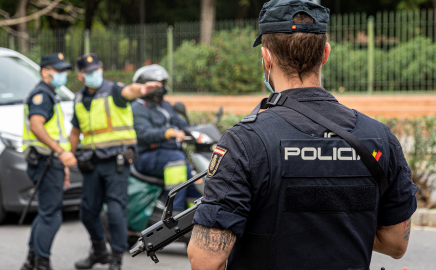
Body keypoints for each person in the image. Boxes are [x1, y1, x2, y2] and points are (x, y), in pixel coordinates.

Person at [187, 1, 418, 270]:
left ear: (266, 58)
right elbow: (396, 244)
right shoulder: (379, 137)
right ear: (325, 54)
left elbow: (204, 260)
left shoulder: (244, 143)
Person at [70, 53, 161, 270]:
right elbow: (75, 131)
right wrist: (68, 155)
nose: (95, 74)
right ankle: (99, 250)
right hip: (91, 162)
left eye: (97, 70)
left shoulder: (113, 90)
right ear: (81, 76)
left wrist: (141, 89)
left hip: (116, 161)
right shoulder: (79, 99)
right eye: (89, 72)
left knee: (115, 211)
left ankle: (116, 258)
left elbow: (128, 91)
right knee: (87, 211)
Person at [20, 52, 77, 270]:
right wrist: (61, 153)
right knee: (51, 217)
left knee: (46, 213)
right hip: (45, 161)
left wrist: (62, 163)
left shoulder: (48, 94)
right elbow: (36, 126)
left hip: (49, 162)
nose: (63, 75)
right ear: (46, 72)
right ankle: (41, 263)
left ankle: (32, 260)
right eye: (59, 71)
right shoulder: (42, 95)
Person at [131, 64, 201, 212]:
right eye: (158, 84)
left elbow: (180, 123)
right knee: (177, 161)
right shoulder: (138, 107)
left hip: (168, 154)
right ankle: (174, 212)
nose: (162, 87)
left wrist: (197, 130)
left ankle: (197, 211)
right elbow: (143, 133)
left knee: (191, 174)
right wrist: (167, 133)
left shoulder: (164, 105)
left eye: (163, 83)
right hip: (147, 156)